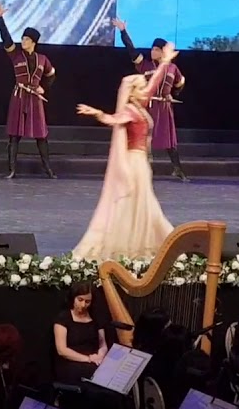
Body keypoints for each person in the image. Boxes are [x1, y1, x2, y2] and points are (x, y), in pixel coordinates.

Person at [71, 43, 176, 260]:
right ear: (133, 92)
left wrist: (165, 62)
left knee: (143, 203)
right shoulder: (130, 110)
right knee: (139, 203)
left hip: (142, 162)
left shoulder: (139, 106)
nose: (145, 91)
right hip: (133, 162)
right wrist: (97, 113)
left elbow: (153, 85)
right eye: (141, 88)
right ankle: (134, 244)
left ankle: (143, 241)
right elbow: (113, 119)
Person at [114, 19, 189, 180]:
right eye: (152, 49)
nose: (152, 51)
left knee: (169, 140)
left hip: (164, 108)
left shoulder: (172, 68)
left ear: (162, 52)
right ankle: (145, 171)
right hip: (148, 107)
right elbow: (131, 50)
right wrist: (123, 31)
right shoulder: (145, 65)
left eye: (156, 49)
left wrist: (172, 94)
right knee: (145, 138)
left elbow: (180, 83)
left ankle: (177, 169)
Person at [0, 3, 56, 179]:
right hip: (19, 96)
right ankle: (12, 170)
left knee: (41, 135)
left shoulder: (42, 59)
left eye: (26, 39)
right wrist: (0, 18)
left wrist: (44, 87)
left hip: (35, 99)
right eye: (22, 38)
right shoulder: (16, 55)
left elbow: (51, 74)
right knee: (14, 135)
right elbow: (6, 38)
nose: (23, 41)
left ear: (33, 42)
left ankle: (48, 170)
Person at [52, 282, 105, 384]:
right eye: (80, 300)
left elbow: (102, 344)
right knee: (93, 374)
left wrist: (100, 356)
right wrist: (88, 359)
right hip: (71, 363)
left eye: (87, 301)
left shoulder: (95, 317)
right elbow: (62, 350)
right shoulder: (63, 318)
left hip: (93, 360)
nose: (83, 305)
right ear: (73, 298)